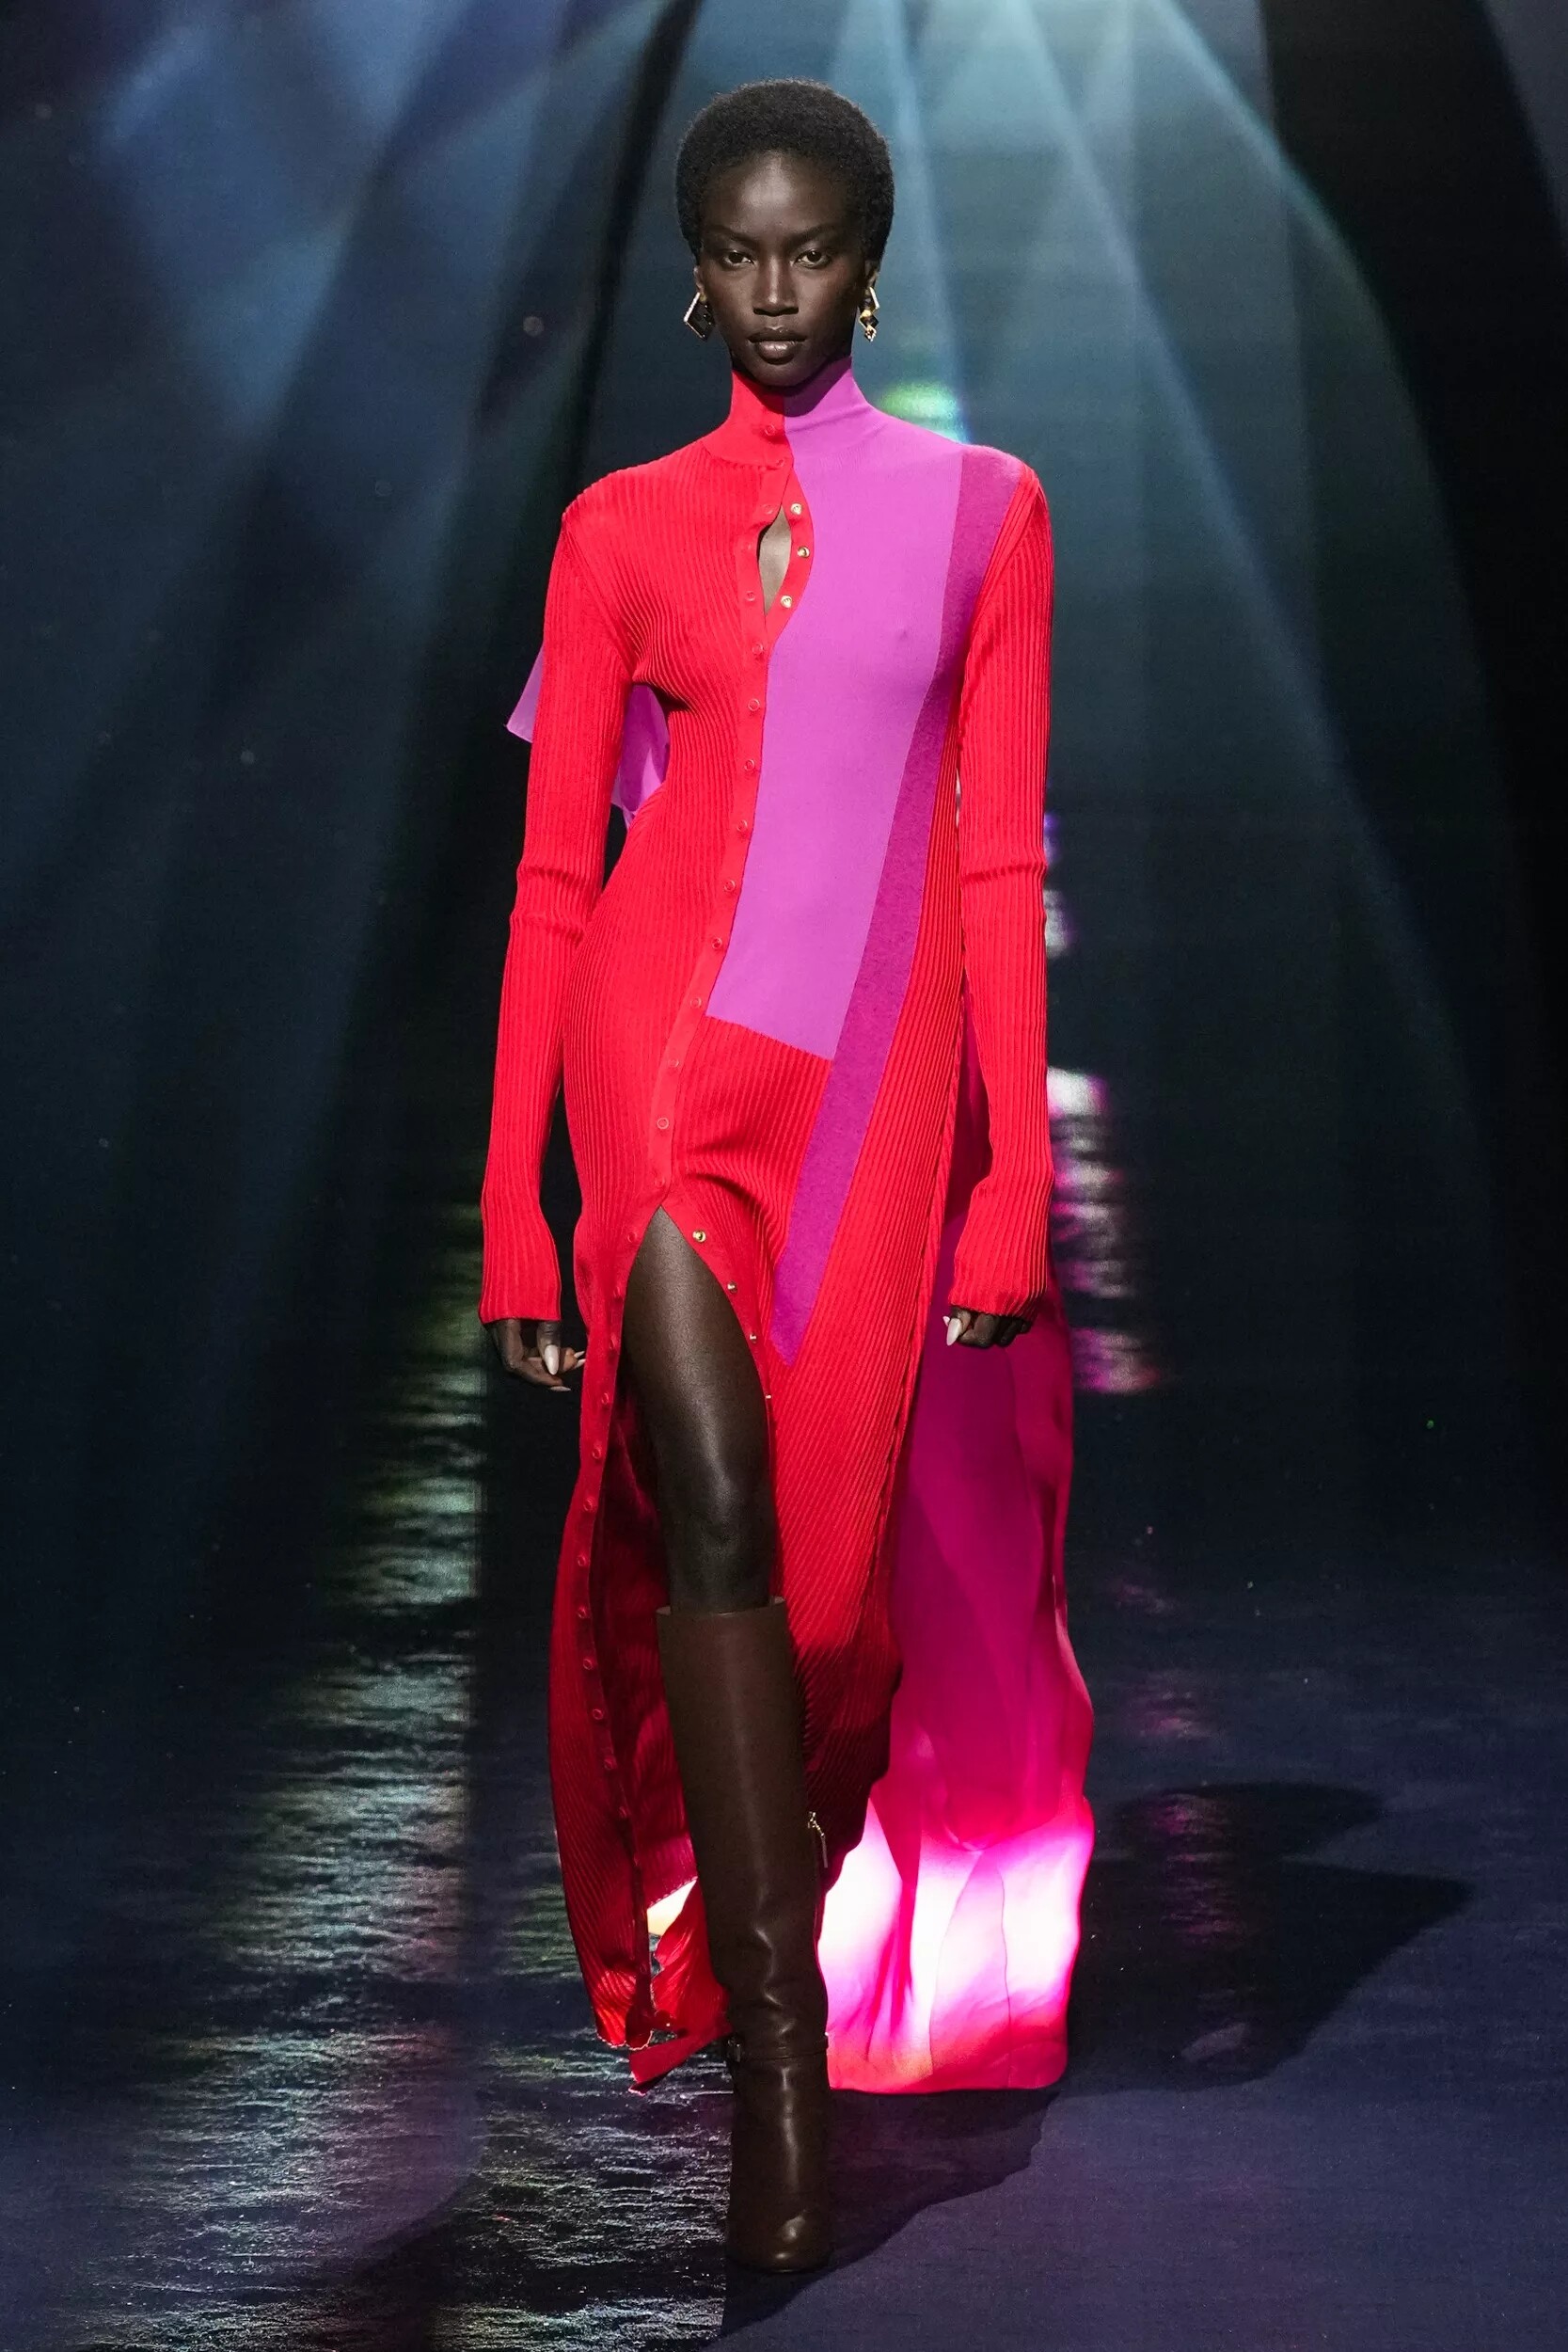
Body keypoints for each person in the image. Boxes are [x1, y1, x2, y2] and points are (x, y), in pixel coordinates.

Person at [481, 78, 1093, 2273]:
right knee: (722, 1504)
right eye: (736, 252)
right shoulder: (619, 528)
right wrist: (515, 1203)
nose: (772, 289)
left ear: (868, 261)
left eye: (809, 249)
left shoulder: (987, 513)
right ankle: (774, 2070)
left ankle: (770, 1941)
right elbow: (558, 882)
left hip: (876, 1086)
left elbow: (997, 857)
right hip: (655, 1061)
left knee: (823, 1603)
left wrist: (1013, 1175)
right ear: (691, 268)